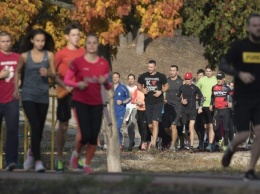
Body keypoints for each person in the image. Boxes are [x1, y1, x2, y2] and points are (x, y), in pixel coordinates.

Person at [14, 28, 65, 172]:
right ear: (32, 41)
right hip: (28, 95)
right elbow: (17, 71)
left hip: (43, 96)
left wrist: (47, 73)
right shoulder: (24, 56)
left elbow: (54, 75)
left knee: (39, 130)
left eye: (42, 40)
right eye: (37, 40)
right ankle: (38, 161)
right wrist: (16, 89)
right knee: (35, 126)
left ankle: (31, 152)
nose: (40, 43)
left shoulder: (49, 55)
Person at [220, 13, 260, 180]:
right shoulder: (239, 46)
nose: (258, 28)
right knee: (243, 135)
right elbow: (222, 64)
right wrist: (239, 73)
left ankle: (250, 170)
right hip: (242, 97)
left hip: (259, 98)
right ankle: (230, 149)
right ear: (248, 28)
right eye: (255, 25)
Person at [64, 33, 111, 174]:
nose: (91, 45)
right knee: (84, 135)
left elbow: (108, 86)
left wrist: (105, 82)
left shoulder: (104, 63)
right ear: (86, 45)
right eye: (89, 43)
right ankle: (76, 155)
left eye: (94, 43)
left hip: (97, 103)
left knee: (93, 137)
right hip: (80, 101)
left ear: (97, 45)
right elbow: (67, 80)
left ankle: (86, 164)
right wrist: (77, 84)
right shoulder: (78, 62)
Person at [54, 23, 85, 172]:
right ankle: (59, 159)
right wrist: (64, 84)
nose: (77, 37)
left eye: (78, 34)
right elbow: (52, 73)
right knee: (63, 126)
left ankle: (75, 157)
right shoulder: (61, 53)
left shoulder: (84, 52)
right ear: (66, 36)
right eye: (73, 35)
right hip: (64, 92)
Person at [138, 60, 169, 148]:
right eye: (148, 67)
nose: (149, 69)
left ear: (155, 67)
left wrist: (161, 91)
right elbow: (139, 85)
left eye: (151, 67)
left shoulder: (161, 76)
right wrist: (142, 90)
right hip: (148, 102)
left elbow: (167, 86)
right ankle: (158, 138)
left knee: (155, 123)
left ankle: (154, 144)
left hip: (158, 102)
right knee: (150, 125)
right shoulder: (143, 76)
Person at [0, 31, 20, 171]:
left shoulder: (17, 57)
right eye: (3, 41)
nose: (6, 44)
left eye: (8, 41)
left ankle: (11, 161)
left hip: (11, 99)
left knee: (12, 129)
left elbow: (19, 74)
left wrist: (19, 82)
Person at [177, 72, 204, 153]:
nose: (187, 80)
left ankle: (191, 146)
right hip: (184, 110)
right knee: (185, 129)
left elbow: (201, 97)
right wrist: (182, 101)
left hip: (192, 110)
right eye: (186, 79)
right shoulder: (181, 87)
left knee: (191, 127)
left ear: (191, 79)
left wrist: (200, 107)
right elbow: (177, 97)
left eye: (188, 79)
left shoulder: (195, 88)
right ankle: (187, 143)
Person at [210, 72, 232, 152]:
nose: (218, 80)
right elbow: (212, 97)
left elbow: (231, 96)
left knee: (226, 129)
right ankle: (220, 139)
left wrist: (231, 103)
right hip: (217, 110)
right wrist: (211, 104)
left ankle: (225, 145)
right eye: (217, 79)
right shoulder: (214, 87)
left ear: (224, 79)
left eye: (220, 79)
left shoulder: (227, 88)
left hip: (225, 109)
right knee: (215, 128)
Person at [197, 65, 217, 152]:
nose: (208, 72)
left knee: (211, 125)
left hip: (211, 105)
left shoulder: (215, 79)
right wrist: (199, 96)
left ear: (212, 71)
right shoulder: (202, 80)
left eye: (210, 71)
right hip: (203, 105)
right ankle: (210, 141)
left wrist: (214, 103)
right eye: (207, 71)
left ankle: (210, 144)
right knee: (205, 126)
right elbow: (196, 90)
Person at [163, 65, 183, 151]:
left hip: (177, 106)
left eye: (173, 70)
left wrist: (183, 100)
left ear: (177, 72)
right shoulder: (166, 81)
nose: (171, 72)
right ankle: (176, 138)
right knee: (166, 128)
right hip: (168, 106)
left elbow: (184, 93)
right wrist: (163, 99)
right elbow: (162, 91)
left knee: (173, 125)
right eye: (170, 70)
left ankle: (173, 145)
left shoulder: (181, 81)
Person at [113, 72, 131, 150]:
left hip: (120, 111)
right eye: (113, 77)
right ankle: (112, 144)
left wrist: (122, 102)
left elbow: (130, 97)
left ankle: (120, 144)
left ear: (119, 78)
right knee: (111, 129)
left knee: (118, 127)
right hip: (111, 112)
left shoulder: (123, 87)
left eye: (116, 77)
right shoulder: (109, 87)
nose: (115, 78)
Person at [131, 85, 150, 150]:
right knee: (140, 127)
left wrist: (143, 103)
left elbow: (151, 100)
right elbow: (132, 100)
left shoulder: (148, 90)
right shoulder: (136, 91)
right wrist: (137, 102)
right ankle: (143, 141)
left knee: (145, 126)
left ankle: (145, 143)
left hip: (147, 110)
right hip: (139, 110)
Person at [125, 74, 137, 151]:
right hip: (127, 108)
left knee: (132, 125)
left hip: (135, 108)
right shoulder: (125, 88)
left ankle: (130, 142)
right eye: (129, 79)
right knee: (128, 126)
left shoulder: (137, 88)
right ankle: (131, 140)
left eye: (132, 79)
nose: (130, 80)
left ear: (134, 80)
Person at [195, 69, 206, 150]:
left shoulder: (205, 86)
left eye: (201, 75)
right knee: (196, 126)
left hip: (203, 108)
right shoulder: (195, 85)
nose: (199, 77)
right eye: (198, 75)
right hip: (195, 108)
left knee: (203, 126)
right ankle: (200, 141)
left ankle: (203, 142)